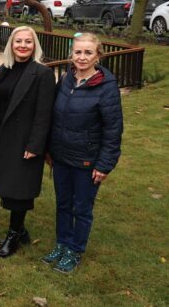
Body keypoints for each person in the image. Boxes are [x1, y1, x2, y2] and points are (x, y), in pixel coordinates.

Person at [43, 32, 123, 273]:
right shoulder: (66, 80)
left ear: (98, 55)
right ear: (72, 54)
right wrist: (49, 149)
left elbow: (113, 129)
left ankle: (76, 250)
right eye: (78, 52)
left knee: (82, 208)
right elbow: (53, 117)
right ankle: (62, 243)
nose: (82, 57)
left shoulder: (106, 87)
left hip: (87, 161)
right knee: (63, 204)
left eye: (88, 52)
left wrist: (104, 164)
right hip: (61, 157)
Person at [0, 26, 55, 258]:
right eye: (18, 41)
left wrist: (35, 145)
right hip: (3, 138)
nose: (23, 45)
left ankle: (13, 235)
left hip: (24, 140)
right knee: (9, 188)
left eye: (28, 41)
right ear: (11, 45)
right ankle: (22, 230)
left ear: (34, 45)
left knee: (20, 190)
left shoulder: (43, 74)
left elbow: (45, 113)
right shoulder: (4, 69)